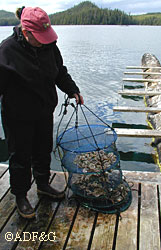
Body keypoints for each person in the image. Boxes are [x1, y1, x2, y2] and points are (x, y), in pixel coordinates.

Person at [0, 6, 84, 219]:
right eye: (39, 37)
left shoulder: (49, 46)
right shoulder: (6, 51)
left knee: (43, 150)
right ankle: (20, 196)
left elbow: (59, 72)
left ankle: (43, 185)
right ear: (26, 32)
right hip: (17, 117)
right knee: (20, 157)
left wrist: (72, 89)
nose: (44, 41)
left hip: (44, 111)